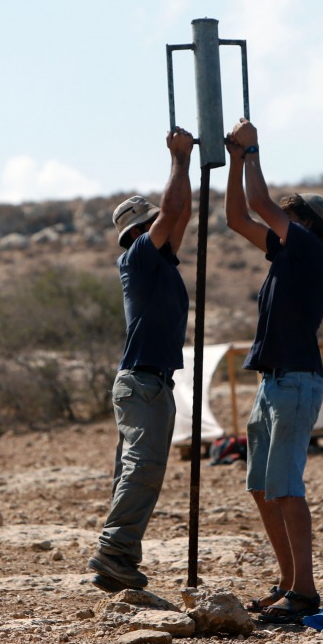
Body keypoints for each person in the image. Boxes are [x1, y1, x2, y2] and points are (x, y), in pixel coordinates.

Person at [224, 118, 323, 624]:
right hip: (273, 381)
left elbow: (261, 205)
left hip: (294, 381)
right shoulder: (286, 258)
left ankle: (305, 592)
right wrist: (234, 160)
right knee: (262, 487)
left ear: (308, 225)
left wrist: (253, 152)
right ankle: (288, 583)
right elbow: (236, 217)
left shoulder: (311, 252)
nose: (278, 221)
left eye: (291, 216)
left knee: (286, 487)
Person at [87, 127, 195, 593]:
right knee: (142, 469)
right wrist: (179, 161)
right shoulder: (138, 257)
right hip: (143, 382)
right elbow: (173, 212)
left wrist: (187, 169)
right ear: (139, 231)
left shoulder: (161, 262)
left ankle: (121, 557)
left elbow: (181, 212)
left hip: (154, 383)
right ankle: (113, 553)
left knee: (138, 470)